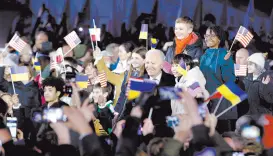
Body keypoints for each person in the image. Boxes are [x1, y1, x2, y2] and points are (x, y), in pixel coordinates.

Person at [199, 26, 236, 133]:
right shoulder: (204, 55)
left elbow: (230, 79)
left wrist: (225, 63)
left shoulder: (225, 54)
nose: (208, 38)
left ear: (220, 38)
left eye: (212, 35)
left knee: (222, 136)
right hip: (206, 102)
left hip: (220, 102)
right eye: (206, 35)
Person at [139, 49, 175, 137]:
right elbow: (129, 107)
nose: (149, 66)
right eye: (147, 63)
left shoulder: (172, 82)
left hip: (164, 133)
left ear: (162, 65)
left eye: (153, 63)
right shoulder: (138, 81)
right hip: (141, 131)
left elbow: (173, 109)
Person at [115, 47, 147, 117]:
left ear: (144, 60)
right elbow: (122, 94)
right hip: (121, 113)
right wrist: (116, 111)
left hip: (133, 115)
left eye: (137, 58)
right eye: (132, 58)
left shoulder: (146, 77)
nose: (133, 61)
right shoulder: (128, 74)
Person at [235, 48, 250, 117]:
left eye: (240, 58)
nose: (237, 60)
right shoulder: (238, 67)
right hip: (239, 106)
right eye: (236, 57)